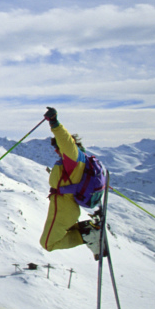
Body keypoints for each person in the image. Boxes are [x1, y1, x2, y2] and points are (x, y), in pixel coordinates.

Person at [39, 107, 103, 259]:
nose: (56, 151)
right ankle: (89, 231)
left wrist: (54, 123)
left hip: (63, 208)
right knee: (54, 238)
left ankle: (89, 235)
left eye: (57, 147)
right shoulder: (81, 159)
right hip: (66, 208)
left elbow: (66, 140)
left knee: (48, 244)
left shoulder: (72, 156)